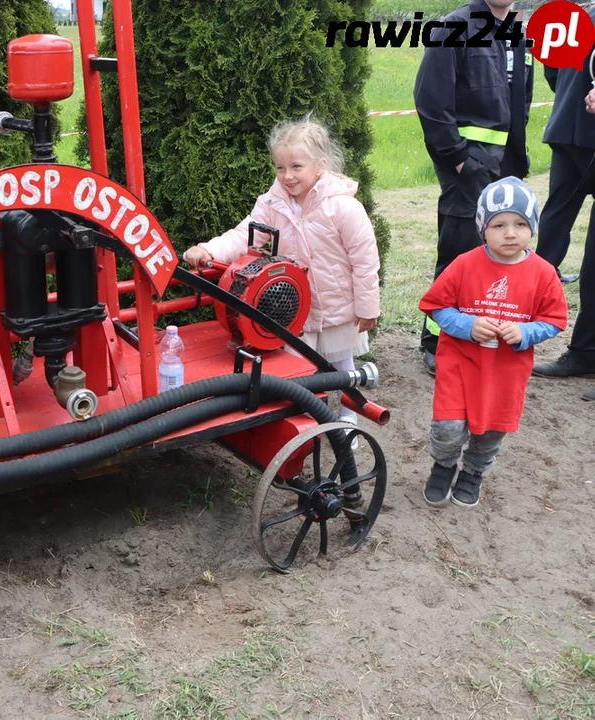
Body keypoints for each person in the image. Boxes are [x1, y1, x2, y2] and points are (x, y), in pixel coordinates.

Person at [183, 115, 380, 430]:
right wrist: (210, 250)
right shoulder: (272, 204)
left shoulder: (343, 208)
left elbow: (365, 259)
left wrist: (368, 306)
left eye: (296, 167)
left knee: (341, 366)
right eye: (280, 168)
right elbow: (244, 234)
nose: (287, 176)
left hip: (336, 306)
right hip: (290, 308)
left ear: (320, 165)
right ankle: (305, 420)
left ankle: (348, 417)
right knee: (296, 369)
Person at [419, 177, 567, 508]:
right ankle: (443, 465)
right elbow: (435, 306)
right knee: (447, 427)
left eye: (520, 223)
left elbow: (555, 320)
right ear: (483, 228)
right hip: (460, 363)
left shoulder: (543, 273)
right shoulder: (464, 264)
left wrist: (526, 332)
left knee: (490, 433)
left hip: (505, 373)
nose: (510, 233)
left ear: (533, 228)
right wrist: (466, 325)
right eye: (498, 224)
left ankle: (473, 472)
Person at [413, 0, 533, 376]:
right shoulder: (454, 27)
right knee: (458, 253)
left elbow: (521, 97)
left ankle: (484, 333)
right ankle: (436, 341)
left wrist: (516, 159)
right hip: (467, 165)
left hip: (506, 163)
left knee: (500, 254)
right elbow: (430, 101)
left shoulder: (518, 31)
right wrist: (458, 157)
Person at [537, 50, 595, 392]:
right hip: (574, 127)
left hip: (568, 122)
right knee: (556, 220)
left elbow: (552, 71)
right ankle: (584, 351)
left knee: (556, 217)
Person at [532, 16, 595, 285]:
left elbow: (551, 67)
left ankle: (542, 274)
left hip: (564, 123)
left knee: (558, 206)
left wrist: (566, 93)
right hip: (589, 128)